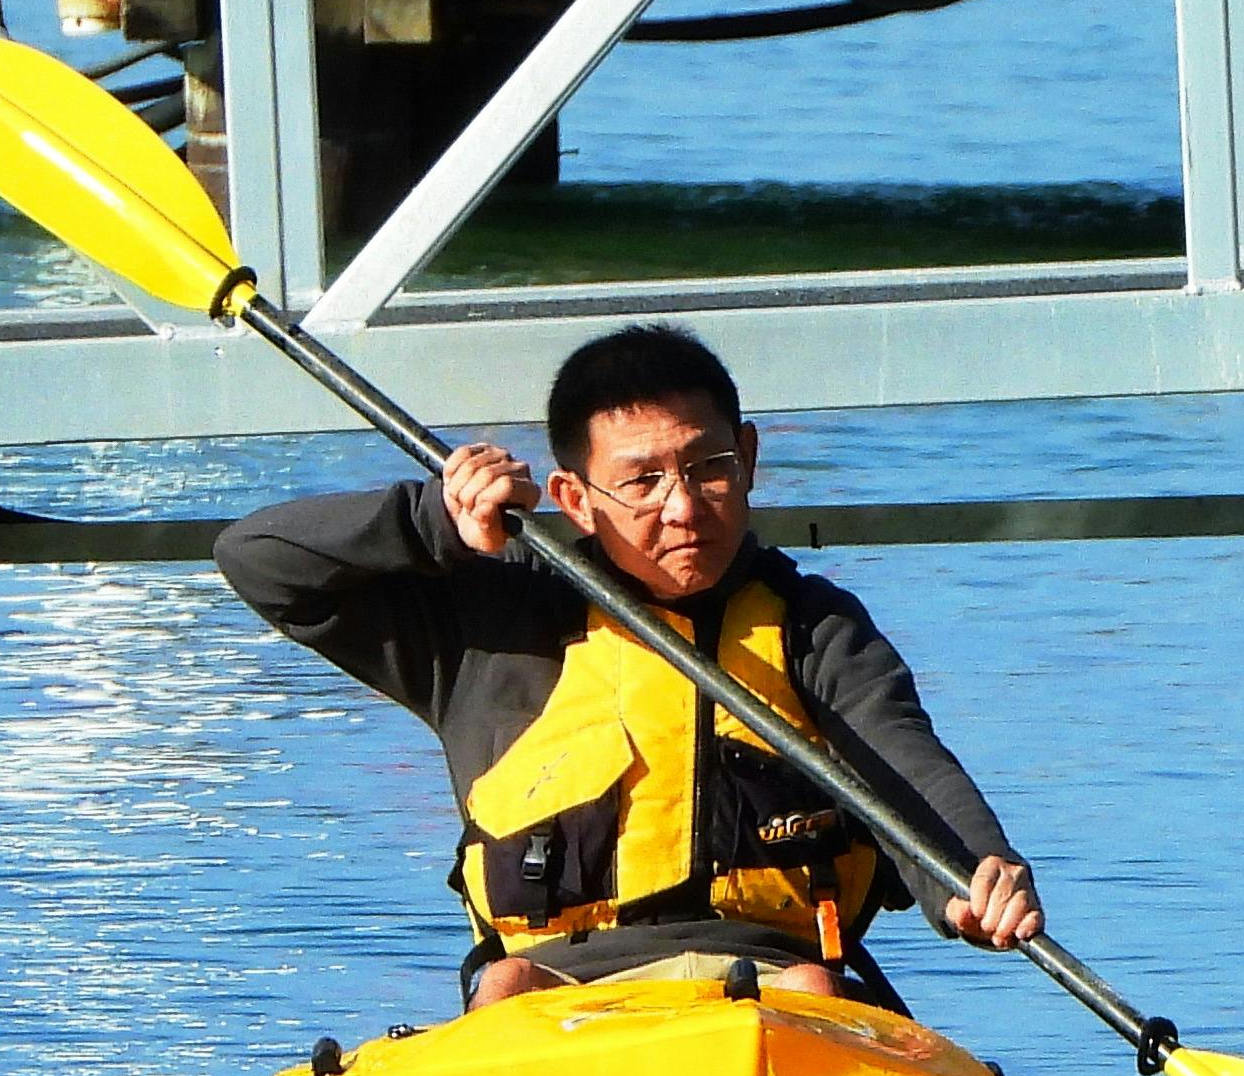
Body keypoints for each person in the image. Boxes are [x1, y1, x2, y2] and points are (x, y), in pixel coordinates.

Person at [213, 322, 1042, 1008]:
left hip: (771, 985)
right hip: (556, 983)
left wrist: (973, 878)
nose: (681, 507)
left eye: (707, 468)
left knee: (815, 987)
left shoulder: (814, 627)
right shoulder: (487, 615)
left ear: (748, 458)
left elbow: (904, 763)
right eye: (641, 481)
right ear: (576, 499)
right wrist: (435, 517)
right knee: (502, 982)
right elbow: (256, 559)